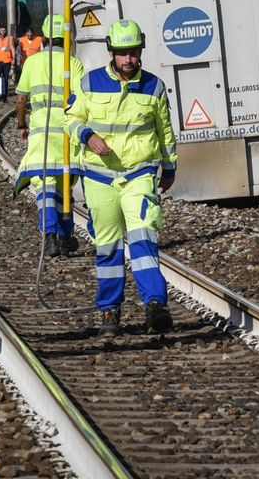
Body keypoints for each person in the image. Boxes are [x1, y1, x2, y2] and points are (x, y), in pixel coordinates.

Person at [65, 19, 177, 337]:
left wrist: (169, 167)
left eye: (134, 52)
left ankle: (155, 305)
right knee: (108, 247)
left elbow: (165, 132)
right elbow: (70, 118)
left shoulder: (154, 87)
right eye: (123, 53)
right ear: (111, 52)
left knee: (144, 238)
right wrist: (87, 136)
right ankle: (109, 310)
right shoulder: (90, 83)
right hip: (99, 177)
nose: (129, 59)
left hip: (139, 175)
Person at [13, 13, 85, 257]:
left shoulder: (32, 62)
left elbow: (21, 100)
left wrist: (22, 124)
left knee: (44, 185)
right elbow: (82, 98)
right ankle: (65, 236)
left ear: (44, 38)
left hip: (42, 132)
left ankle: (51, 236)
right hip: (66, 131)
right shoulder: (73, 63)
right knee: (65, 184)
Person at [0, 25, 14, 99]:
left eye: (4, 30)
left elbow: (12, 48)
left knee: (5, 78)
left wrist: (13, 58)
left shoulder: (10, 38)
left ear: (6, 30)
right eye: (1, 30)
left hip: (7, 61)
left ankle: (4, 96)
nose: (3, 32)